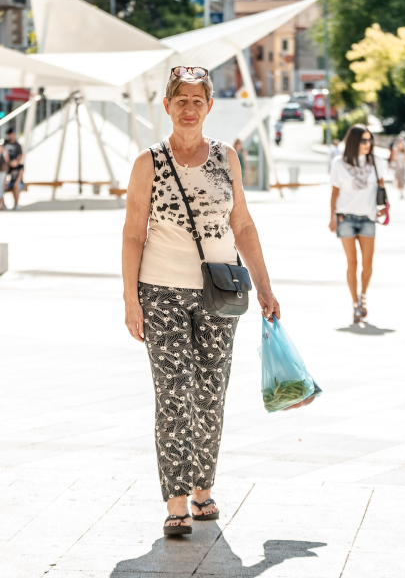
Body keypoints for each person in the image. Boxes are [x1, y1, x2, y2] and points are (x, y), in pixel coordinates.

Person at [122, 65, 281, 537]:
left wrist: (266, 286)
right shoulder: (148, 162)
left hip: (221, 292)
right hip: (161, 292)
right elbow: (133, 233)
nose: (189, 109)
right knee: (174, 395)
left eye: (198, 100)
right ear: (167, 107)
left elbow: (244, 225)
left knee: (211, 393)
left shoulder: (225, 158)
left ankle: (202, 489)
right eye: (181, 100)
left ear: (209, 107)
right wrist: (131, 300)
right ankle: (175, 502)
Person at [329, 125, 384, 324]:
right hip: (346, 218)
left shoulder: (376, 162)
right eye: (364, 141)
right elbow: (335, 192)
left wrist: (384, 205)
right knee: (352, 262)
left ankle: (363, 296)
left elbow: (381, 185)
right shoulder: (339, 163)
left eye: (370, 140)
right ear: (354, 142)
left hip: (368, 218)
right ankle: (355, 303)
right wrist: (332, 217)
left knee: (368, 264)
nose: (368, 144)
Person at [3, 128, 25, 209]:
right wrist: (8, 162)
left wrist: (15, 161)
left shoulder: (17, 145)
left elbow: (20, 155)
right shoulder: (5, 144)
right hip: (7, 167)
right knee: (1, 186)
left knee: (16, 185)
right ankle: (3, 204)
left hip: (16, 180)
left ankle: (16, 204)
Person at [388, 133, 405, 199]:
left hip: (402, 167)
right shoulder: (395, 149)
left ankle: (402, 192)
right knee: (397, 179)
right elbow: (392, 157)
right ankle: (400, 192)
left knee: (402, 180)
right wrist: (390, 165)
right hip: (397, 167)